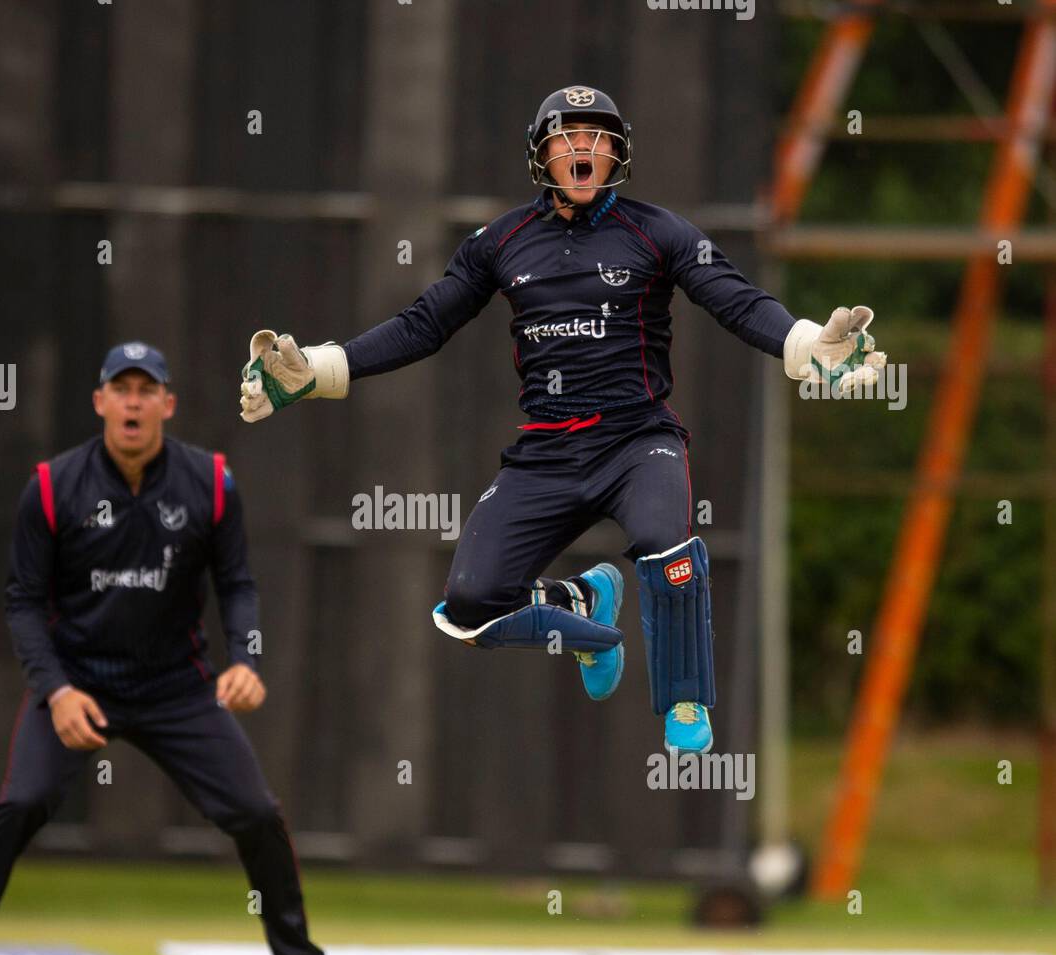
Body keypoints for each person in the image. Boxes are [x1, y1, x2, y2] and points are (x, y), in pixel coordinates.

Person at [238, 85, 886, 755]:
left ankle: (685, 700)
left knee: (668, 551)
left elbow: (738, 302)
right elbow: (423, 324)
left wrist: (809, 345)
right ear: (542, 153)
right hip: (546, 452)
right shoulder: (500, 241)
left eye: (597, 136)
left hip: (637, 442)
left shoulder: (658, 231)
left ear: (617, 153)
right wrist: (317, 369)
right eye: (567, 135)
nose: (582, 146)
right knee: (467, 607)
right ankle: (584, 606)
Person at [0, 341, 341, 955]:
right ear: (100, 401)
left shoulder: (212, 483)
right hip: (78, 682)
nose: (133, 402)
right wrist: (55, 690)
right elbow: (23, 602)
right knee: (20, 801)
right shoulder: (53, 487)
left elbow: (238, 585)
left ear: (168, 403)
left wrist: (248, 658)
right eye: (122, 389)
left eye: (147, 390)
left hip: (177, 686)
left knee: (255, 811)